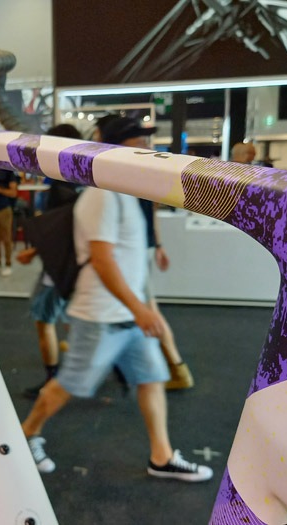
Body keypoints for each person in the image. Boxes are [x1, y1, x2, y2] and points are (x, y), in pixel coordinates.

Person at [20, 116, 213, 483]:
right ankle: (24, 437)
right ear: (113, 147)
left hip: (126, 315)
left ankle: (161, 456)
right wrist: (140, 308)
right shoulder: (102, 195)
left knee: (152, 378)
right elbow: (103, 260)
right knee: (68, 385)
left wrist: (140, 306)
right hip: (101, 316)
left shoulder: (125, 192)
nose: (146, 149)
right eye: (138, 143)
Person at [98, 115, 194, 391]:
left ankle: (176, 368)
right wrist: (158, 245)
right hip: (135, 249)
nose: (144, 142)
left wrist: (156, 244)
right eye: (137, 137)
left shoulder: (128, 171)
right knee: (130, 306)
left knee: (147, 309)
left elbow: (146, 211)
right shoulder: (125, 171)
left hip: (134, 251)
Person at [16, 123, 83, 399]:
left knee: (44, 320)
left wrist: (33, 251)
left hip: (59, 267)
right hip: (77, 264)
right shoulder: (82, 178)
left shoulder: (61, 186)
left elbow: (60, 231)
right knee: (71, 318)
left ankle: (53, 382)